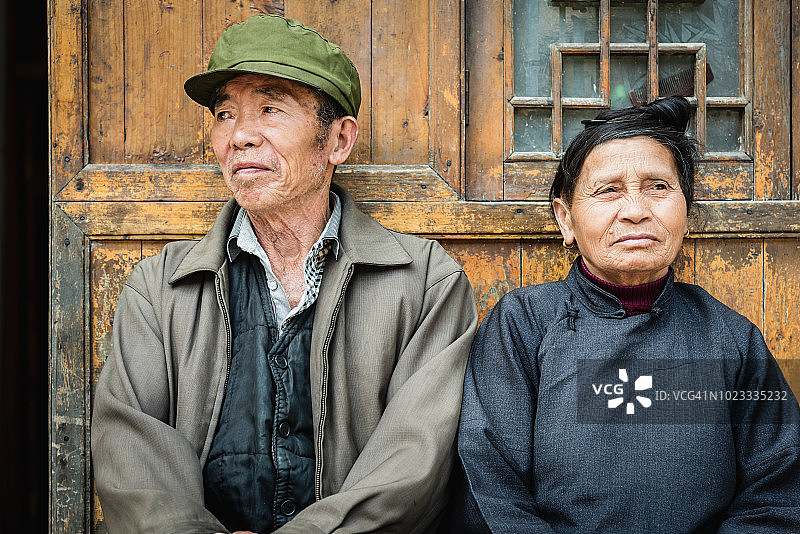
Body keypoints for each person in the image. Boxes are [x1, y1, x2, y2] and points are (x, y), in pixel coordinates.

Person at [91, 14, 477, 534]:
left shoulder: (427, 282)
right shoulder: (160, 287)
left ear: (338, 141)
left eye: (270, 110)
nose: (240, 136)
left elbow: (413, 467)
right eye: (225, 114)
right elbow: (129, 456)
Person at [450, 97, 800, 532]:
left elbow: (779, 492)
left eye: (658, 187)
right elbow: (490, 481)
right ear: (566, 220)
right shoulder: (524, 324)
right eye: (608, 190)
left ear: (686, 210)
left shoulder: (730, 336)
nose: (635, 210)